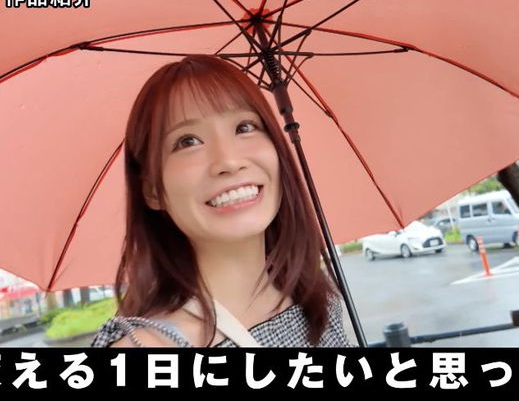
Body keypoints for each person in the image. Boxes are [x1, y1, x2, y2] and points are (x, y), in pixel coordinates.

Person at [90, 55, 353, 348]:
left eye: (244, 127)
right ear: (153, 191)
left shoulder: (317, 304)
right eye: (188, 141)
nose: (228, 161)